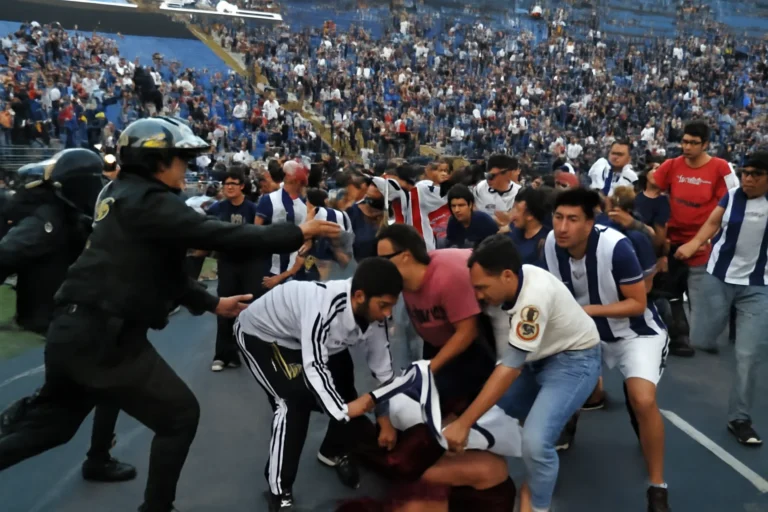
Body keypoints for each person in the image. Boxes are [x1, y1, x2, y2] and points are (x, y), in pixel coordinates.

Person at [0, 117, 341, 512]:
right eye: (181, 159)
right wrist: (299, 232)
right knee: (179, 416)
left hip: (75, 332)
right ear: (157, 161)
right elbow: (221, 235)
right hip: (105, 339)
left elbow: (163, 271)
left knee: (51, 429)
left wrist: (213, 304)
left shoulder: (121, 194)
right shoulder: (150, 201)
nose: (186, 168)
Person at [0, 149, 136, 483]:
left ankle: (98, 456)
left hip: (83, 322)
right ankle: (92, 454)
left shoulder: (74, 215)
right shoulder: (49, 220)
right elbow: (7, 253)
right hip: (68, 326)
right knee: (56, 425)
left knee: (109, 387)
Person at [441, 235, 601, 512]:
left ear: (506, 275)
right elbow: (506, 358)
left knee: (536, 444)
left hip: (575, 362)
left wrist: (464, 423)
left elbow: (510, 367)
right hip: (535, 359)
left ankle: (537, 505)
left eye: (481, 287)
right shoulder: (512, 284)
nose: (478, 296)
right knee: (488, 420)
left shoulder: (532, 301)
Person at [234, 257, 403, 511]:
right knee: (293, 404)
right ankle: (279, 492)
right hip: (263, 335)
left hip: (310, 338)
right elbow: (315, 367)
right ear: (359, 296)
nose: (388, 313)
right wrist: (343, 411)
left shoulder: (376, 316)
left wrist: (384, 419)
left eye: (392, 306)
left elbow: (384, 372)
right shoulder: (323, 309)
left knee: (345, 392)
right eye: (384, 306)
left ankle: (332, 450)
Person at [543, 188, 670, 512]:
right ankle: (570, 417)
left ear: (590, 223)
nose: (562, 227)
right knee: (559, 385)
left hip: (634, 333)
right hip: (586, 334)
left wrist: (585, 311)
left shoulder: (616, 248)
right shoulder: (551, 244)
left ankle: (657, 487)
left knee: (643, 400)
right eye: (558, 217)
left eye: (572, 219)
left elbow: (637, 303)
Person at [675, 151, 768, 446]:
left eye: (755, 174)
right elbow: (713, 223)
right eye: (745, 173)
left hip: (758, 286)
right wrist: (694, 244)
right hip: (718, 278)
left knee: (747, 356)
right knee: (701, 338)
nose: (748, 179)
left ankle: (739, 418)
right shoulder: (732, 196)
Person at [376, 224, 494, 411]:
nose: (380, 266)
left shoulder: (448, 276)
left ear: (406, 256)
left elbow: (468, 332)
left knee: (434, 398)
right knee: (416, 398)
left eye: (384, 259)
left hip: (474, 343)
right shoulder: (399, 282)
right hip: (436, 341)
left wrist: (429, 369)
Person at [653, 120, 731, 357]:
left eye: (694, 143)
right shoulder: (672, 165)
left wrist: (705, 240)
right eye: (685, 142)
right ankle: (679, 337)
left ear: (705, 144)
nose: (687, 147)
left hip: (703, 245)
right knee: (670, 293)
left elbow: (730, 206)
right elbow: (652, 192)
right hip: (672, 241)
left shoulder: (720, 168)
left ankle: (704, 338)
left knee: (703, 298)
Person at [472, 154, 522, 224]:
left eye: (492, 176)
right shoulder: (480, 188)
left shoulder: (520, 192)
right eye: (487, 175)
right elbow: (473, 212)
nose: (489, 180)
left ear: (508, 173)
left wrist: (509, 222)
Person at [507, 187, 550, 267]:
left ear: (530, 215)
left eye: (517, 210)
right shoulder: (514, 231)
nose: (512, 216)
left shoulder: (544, 244)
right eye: (513, 208)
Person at [445, 184, 498, 249]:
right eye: (453, 206)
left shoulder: (484, 221)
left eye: (461, 205)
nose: (457, 210)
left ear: (470, 205)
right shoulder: (452, 222)